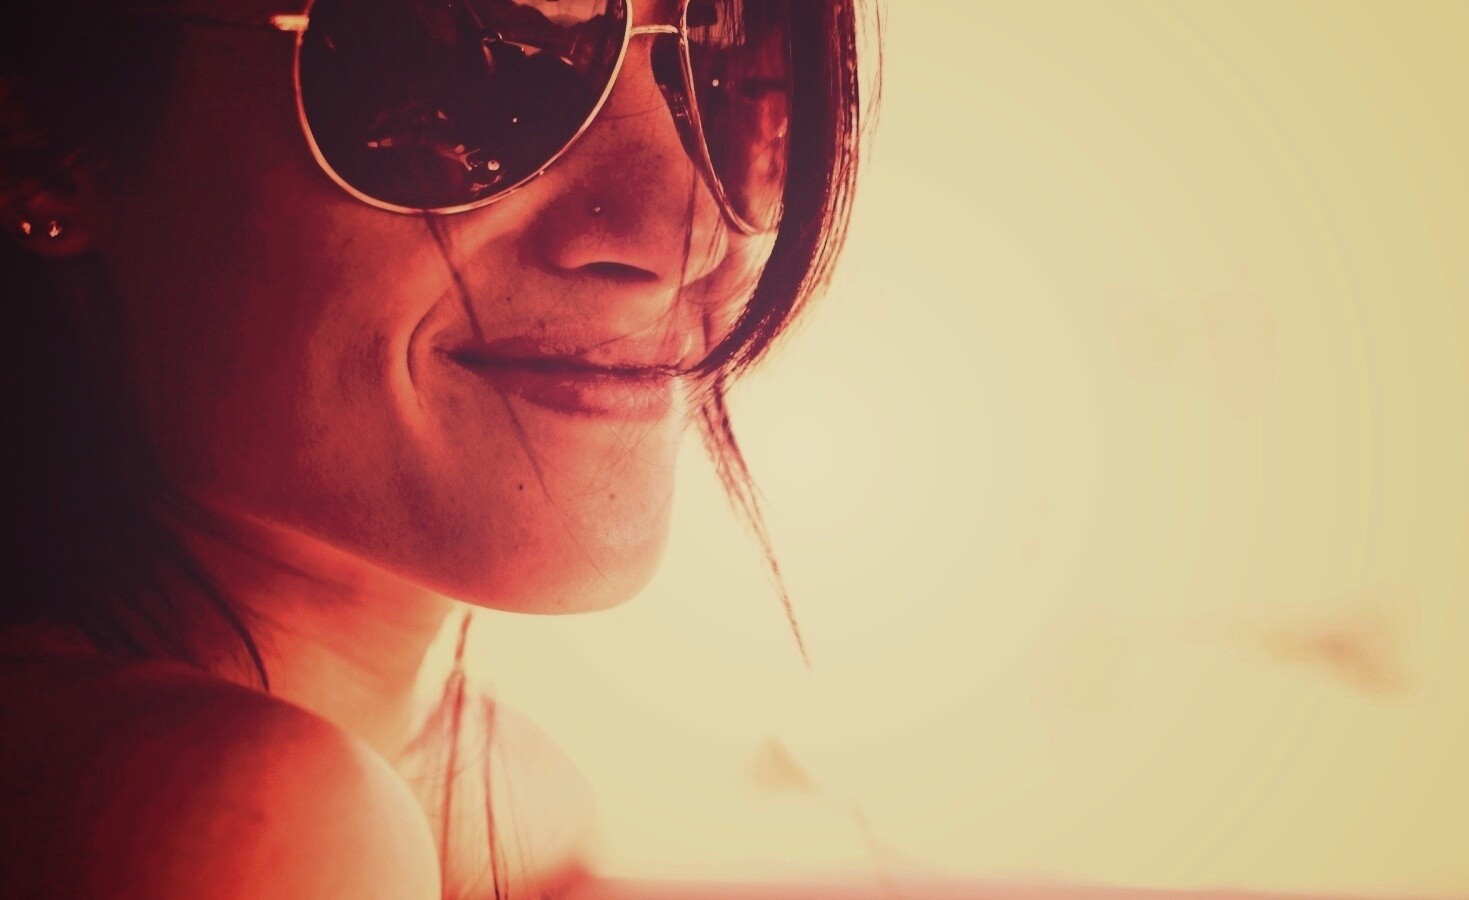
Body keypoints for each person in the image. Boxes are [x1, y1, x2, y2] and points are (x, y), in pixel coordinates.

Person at [0, 0, 866, 895]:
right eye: (471, 54)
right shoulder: (246, 821)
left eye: (730, 66)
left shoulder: (521, 803)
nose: (682, 232)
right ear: (44, 134)